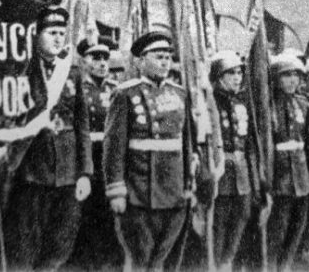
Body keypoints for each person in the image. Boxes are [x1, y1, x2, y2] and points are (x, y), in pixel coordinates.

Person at [2, 6, 93, 270]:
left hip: (67, 173)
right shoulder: (22, 70)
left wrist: (85, 172)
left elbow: (82, 126)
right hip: (31, 170)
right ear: (37, 35)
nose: (57, 39)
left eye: (61, 33)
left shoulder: (72, 72)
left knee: (61, 243)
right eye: (51, 32)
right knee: (24, 243)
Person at [103, 31, 193, 272]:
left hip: (173, 192)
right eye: (158, 56)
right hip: (139, 192)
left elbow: (187, 144)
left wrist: (188, 184)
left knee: (161, 260)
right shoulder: (125, 94)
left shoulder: (180, 93)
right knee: (139, 260)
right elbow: (114, 146)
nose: (165, 62)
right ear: (141, 61)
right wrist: (116, 190)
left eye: (167, 57)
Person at [68, 41, 122, 271]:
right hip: (84, 156)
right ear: (83, 60)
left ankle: (107, 261)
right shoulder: (77, 87)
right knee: (83, 212)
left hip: (108, 157)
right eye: (95, 57)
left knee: (109, 212)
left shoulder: (116, 89)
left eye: (105, 58)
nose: (101, 63)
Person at [208, 50, 262, 271]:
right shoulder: (211, 103)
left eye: (239, 72)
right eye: (231, 73)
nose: (237, 77)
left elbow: (248, 143)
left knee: (239, 223)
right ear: (219, 76)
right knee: (218, 228)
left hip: (242, 176)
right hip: (220, 176)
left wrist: (254, 179)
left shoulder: (241, 103)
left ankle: (226, 264)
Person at [266, 54, 309, 272]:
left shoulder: (304, 104)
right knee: (278, 229)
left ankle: (285, 267)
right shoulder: (268, 106)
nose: (292, 80)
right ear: (276, 78)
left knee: (298, 227)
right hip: (280, 178)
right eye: (287, 75)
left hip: (302, 178)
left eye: (296, 75)